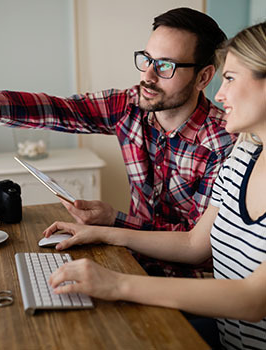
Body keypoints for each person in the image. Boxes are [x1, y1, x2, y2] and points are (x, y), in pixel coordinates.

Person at [0, 7, 236, 277]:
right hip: (129, 261)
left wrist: (113, 221)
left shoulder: (224, 143)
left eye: (165, 65)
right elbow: (57, 109)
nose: (148, 76)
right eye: (147, 59)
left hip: (188, 287)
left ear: (204, 77)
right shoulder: (131, 106)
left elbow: (198, 249)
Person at [47, 22, 266, 350]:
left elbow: (252, 300)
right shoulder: (246, 153)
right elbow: (194, 244)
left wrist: (118, 284)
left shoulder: (225, 142)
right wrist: (103, 230)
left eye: (231, 79)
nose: (220, 95)